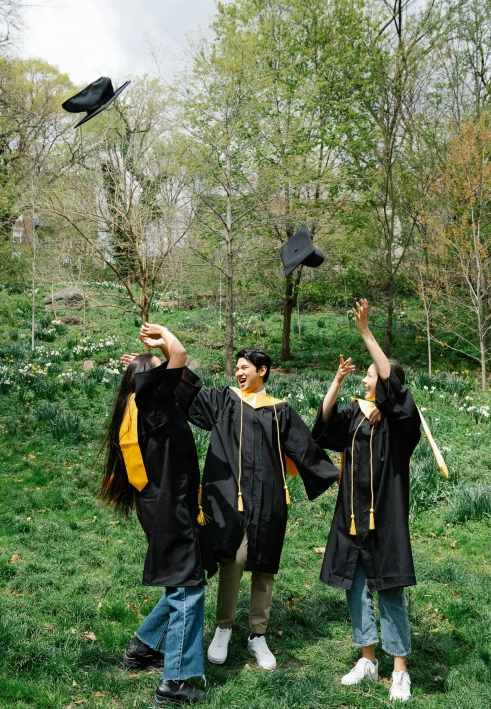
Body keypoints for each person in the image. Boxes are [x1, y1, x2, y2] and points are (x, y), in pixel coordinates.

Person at [141, 328, 339, 672]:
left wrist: (336, 474)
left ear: (262, 370)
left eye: (245, 366)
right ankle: (224, 628)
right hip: (227, 499)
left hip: (270, 500)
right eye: (237, 366)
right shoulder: (223, 400)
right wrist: (163, 360)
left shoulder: (281, 411)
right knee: (234, 558)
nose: (239, 371)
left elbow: (306, 450)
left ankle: (257, 635)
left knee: (264, 566)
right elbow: (187, 394)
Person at [312, 299, 421, 703]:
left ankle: (399, 670)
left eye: (369, 376)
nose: (367, 381)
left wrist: (366, 333)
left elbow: (394, 388)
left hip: (386, 518)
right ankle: (367, 658)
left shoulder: (403, 425)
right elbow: (322, 430)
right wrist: (337, 383)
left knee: (389, 588)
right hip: (351, 517)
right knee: (355, 586)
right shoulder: (357, 416)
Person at [101, 327, 207, 707]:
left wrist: (147, 365)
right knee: (187, 589)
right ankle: (176, 680)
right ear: (153, 382)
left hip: (159, 507)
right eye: (158, 372)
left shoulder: (136, 404)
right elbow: (178, 357)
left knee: (184, 579)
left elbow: (167, 372)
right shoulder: (152, 403)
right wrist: (166, 339)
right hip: (172, 508)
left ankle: (144, 646)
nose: (167, 373)